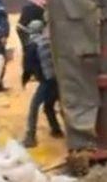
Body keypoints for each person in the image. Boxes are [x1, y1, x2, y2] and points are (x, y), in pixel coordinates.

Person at [22, 20, 63, 148]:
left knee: (34, 107)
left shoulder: (32, 45)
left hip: (46, 80)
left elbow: (28, 66)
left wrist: (25, 79)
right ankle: (56, 130)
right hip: (58, 79)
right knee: (50, 105)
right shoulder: (49, 41)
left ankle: (30, 137)